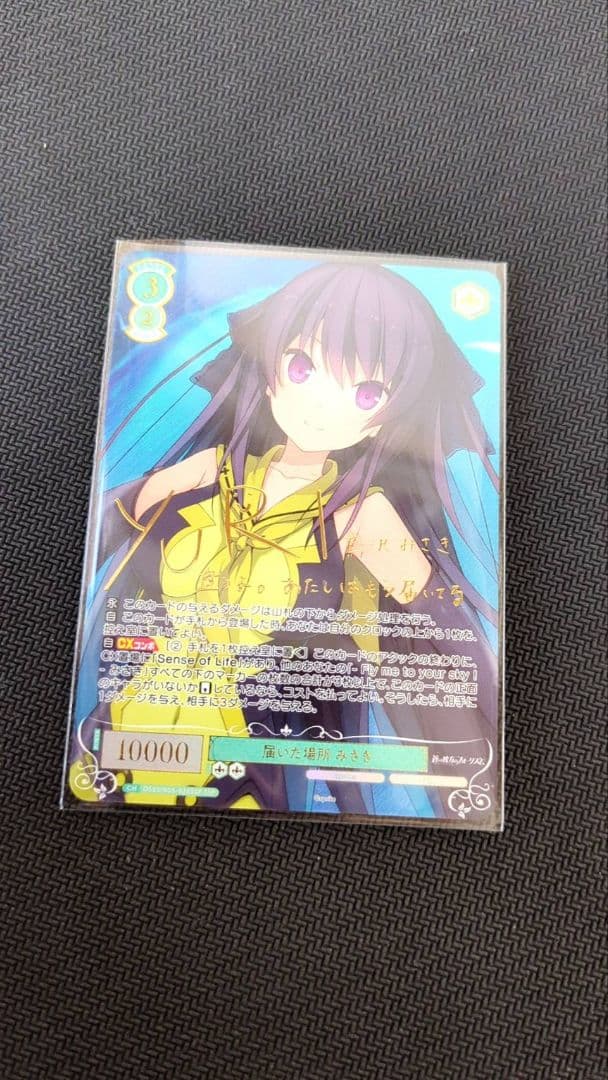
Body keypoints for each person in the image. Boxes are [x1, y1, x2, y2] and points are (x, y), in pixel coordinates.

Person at [70, 260, 499, 821]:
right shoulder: (211, 470)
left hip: (248, 754)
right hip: (129, 725)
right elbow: (106, 527)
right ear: (271, 368)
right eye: (302, 366)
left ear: (382, 420)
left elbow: (444, 639)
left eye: (366, 393)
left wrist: (472, 774)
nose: (321, 402)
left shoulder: (359, 517)